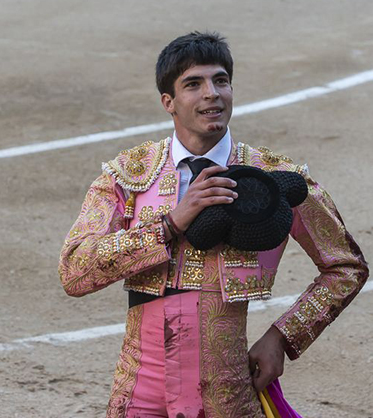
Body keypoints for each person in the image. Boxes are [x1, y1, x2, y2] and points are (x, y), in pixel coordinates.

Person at [59, 32, 369, 418]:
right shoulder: (128, 176)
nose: (212, 93)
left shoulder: (273, 179)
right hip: (139, 391)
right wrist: (170, 223)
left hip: (228, 394)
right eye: (194, 84)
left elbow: (346, 266)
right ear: (168, 102)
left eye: (220, 81)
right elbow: (74, 270)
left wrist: (283, 337)